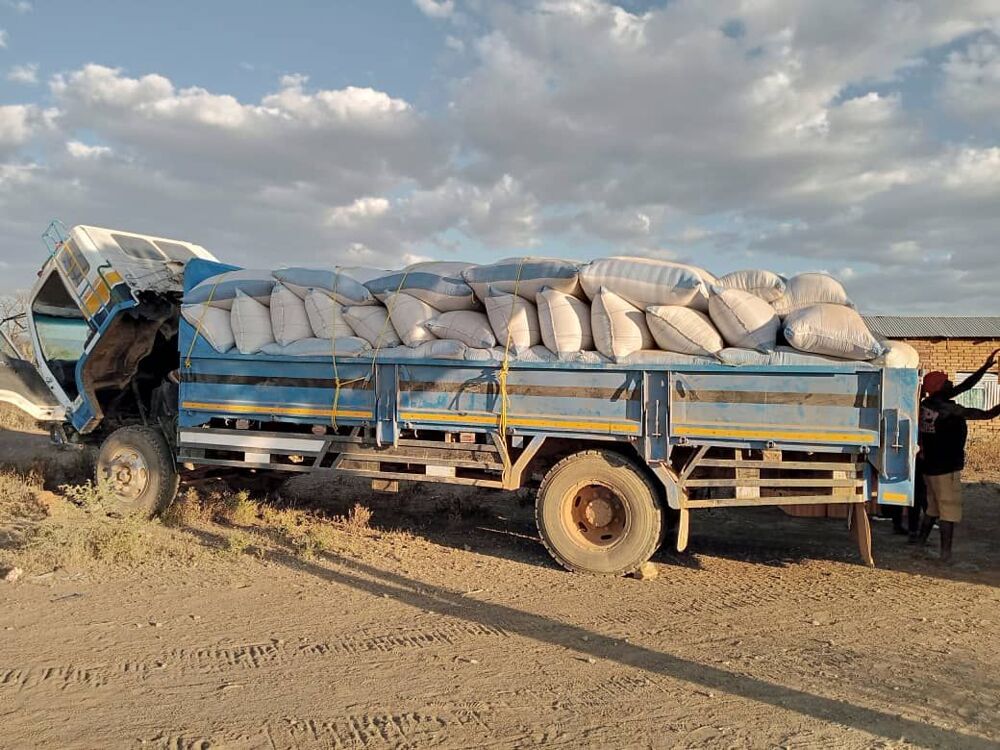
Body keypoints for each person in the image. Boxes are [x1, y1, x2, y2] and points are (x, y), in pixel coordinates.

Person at [916, 350, 1000, 562]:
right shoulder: (947, 409)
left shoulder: (928, 404)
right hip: (946, 468)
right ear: (939, 388)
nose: (951, 383)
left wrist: (985, 367)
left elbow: (965, 386)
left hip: (929, 466)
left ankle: (919, 545)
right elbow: (985, 414)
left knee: (933, 508)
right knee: (949, 511)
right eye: (947, 382)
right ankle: (946, 555)